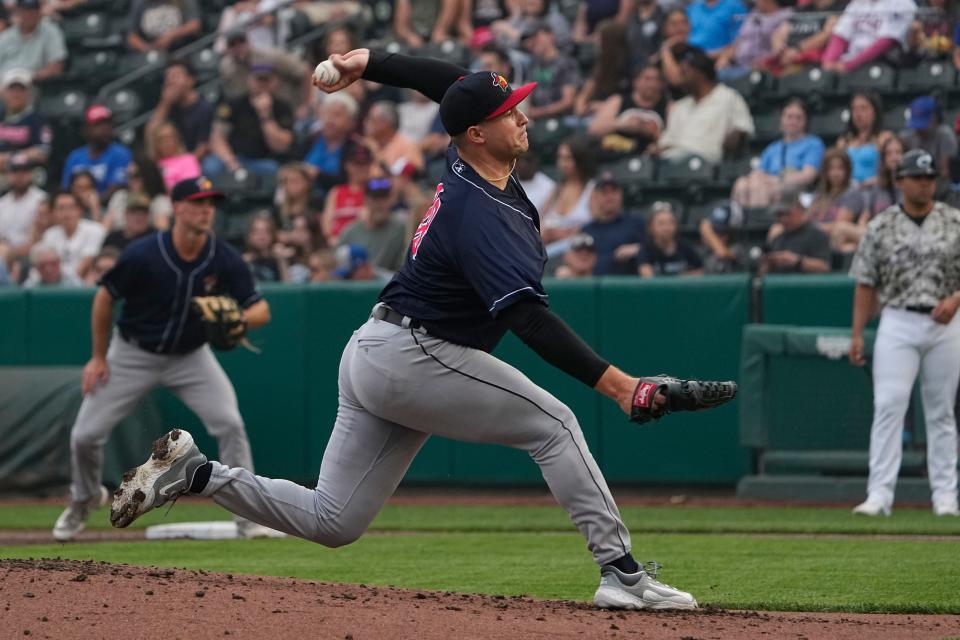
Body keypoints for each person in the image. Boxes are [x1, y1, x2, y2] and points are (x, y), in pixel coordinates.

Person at [110, 47, 736, 612]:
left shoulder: (468, 157)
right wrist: (621, 387)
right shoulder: (478, 215)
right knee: (557, 426)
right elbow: (526, 319)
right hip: (418, 354)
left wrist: (371, 61)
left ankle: (197, 476)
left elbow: (451, 84)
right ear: (477, 133)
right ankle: (621, 575)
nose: (524, 116)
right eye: (510, 111)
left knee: (335, 520)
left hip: (381, 351)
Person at [52, 176, 274, 542]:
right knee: (85, 436)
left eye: (210, 203)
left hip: (190, 357)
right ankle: (84, 499)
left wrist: (239, 319)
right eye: (198, 202)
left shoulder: (222, 257)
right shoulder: (144, 254)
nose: (206, 210)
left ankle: (247, 515)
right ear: (177, 208)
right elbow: (105, 297)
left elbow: (261, 310)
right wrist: (97, 357)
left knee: (230, 423)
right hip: (132, 353)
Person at [848, 149, 960, 518]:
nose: (926, 183)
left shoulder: (953, 220)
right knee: (888, 406)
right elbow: (866, 283)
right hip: (897, 318)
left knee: (941, 411)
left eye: (930, 178)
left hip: (945, 322)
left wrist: (957, 297)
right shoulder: (881, 225)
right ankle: (879, 495)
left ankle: (946, 496)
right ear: (901, 182)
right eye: (918, 177)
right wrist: (857, 334)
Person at [651, 46, 754, 164]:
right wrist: (656, 149)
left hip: (707, 161)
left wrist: (733, 139)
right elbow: (667, 142)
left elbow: (743, 129)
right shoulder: (679, 106)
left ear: (700, 73)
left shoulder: (728, 97)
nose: (680, 79)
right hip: (673, 162)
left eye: (684, 73)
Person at [731, 99, 824, 208]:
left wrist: (776, 180)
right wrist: (757, 177)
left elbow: (808, 176)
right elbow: (759, 172)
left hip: (795, 187)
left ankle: (759, 222)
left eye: (798, 117)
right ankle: (740, 220)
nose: (793, 121)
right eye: (789, 116)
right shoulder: (773, 147)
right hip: (769, 183)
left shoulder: (813, 144)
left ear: (806, 121)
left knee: (761, 187)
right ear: (782, 119)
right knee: (741, 183)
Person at [206, 64, 295, 178]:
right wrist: (231, 161)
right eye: (258, 79)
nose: (262, 83)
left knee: (274, 170)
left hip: (263, 160)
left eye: (266, 79)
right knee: (211, 166)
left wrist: (265, 115)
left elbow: (281, 146)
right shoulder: (234, 104)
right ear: (250, 80)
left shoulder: (283, 108)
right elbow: (217, 137)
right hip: (233, 157)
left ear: (274, 82)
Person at [588, 64, 667, 156]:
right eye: (647, 79)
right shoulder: (619, 100)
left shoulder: (668, 105)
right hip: (616, 152)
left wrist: (652, 132)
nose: (652, 84)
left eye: (657, 80)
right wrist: (623, 124)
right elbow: (594, 129)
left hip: (649, 156)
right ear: (636, 82)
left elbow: (673, 136)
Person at [580, 171, 647, 275]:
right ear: (596, 197)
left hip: (629, 285)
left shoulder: (635, 222)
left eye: (614, 191)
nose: (609, 197)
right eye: (604, 192)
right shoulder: (587, 230)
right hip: (595, 287)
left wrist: (638, 249)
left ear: (620, 195)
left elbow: (657, 249)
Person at [338, 177, 409, 274]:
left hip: (387, 285)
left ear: (391, 200)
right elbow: (337, 265)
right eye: (375, 199)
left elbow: (404, 269)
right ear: (366, 200)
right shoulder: (350, 231)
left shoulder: (400, 229)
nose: (380, 204)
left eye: (384, 198)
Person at [145, 61, 214, 159]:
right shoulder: (167, 107)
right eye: (167, 77)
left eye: (175, 76)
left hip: (199, 159)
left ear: (190, 80)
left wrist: (185, 165)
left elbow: (204, 146)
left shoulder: (204, 107)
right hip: (173, 160)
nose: (170, 81)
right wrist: (165, 103)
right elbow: (150, 135)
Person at [61, 105, 133, 198]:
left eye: (108, 124)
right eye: (98, 124)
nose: (105, 128)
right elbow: (66, 189)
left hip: (108, 208)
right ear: (86, 129)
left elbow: (117, 188)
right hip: (76, 208)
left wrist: (91, 202)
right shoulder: (75, 157)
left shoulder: (121, 154)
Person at [713, 0, 792, 80]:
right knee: (713, 73)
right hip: (738, 65)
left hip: (761, 70)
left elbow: (781, 49)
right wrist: (725, 57)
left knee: (719, 77)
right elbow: (740, 40)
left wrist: (765, 63)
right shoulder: (754, 13)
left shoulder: (786, 16)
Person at [522, 21, 581, 121]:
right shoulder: (533, 63)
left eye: (536, 37)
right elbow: (527, 94)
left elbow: (568, 101)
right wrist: (527, 111)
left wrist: (538, 112)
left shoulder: (566, 63)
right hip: (536, 121)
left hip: (562, 120)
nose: (531, 42)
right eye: (530, 39)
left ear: (550, 36)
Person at [41, 191, 106, 280]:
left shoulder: (95, 230)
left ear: (79, 210)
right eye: (61, 208)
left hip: (83, 285)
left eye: (71, 207)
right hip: (55, 283)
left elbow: (84, 266)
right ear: (54, 212)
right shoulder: (49, 234)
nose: (66, 213)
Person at [302, 92, 359, 191]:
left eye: (337, 115)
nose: (329, 119)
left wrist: (318, 175)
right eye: (327, 113)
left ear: (351, 122)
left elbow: (348, 182)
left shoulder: (354, 147)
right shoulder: (311, 139)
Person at [761, 195, 831, 273]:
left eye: (787, 214)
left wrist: (797, 261)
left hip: (806, 283)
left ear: (800, 210)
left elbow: (824, 267)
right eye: (780, 215)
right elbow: (763, 273)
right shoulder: (777, 239)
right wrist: (768, 263)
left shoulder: (816, 235)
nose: (783, 219)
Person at [0, 0, 67, 82]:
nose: (29, 15)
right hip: (5, 82)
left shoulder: (50, 31)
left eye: (33, 12)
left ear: (39, 13)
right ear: (18, 13)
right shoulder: (6, 36)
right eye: (25, 11)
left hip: (35, 82)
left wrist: (31, 77)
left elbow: (57, 66)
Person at [836, 92, 892, 186]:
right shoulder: (843, 141)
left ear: (875, 111)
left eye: (863, 108)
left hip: (875, 189)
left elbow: (891, 171)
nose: (858, 114)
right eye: (854, 109)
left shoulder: (885, 138)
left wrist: (876, 180)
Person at [0, 68, 52, 169]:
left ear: (29, 93)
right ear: (3, 93)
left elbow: (42, 153)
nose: (16, 94)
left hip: (25, 174)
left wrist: (10, 158)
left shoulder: (38, 120)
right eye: (12, 90)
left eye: (21, 90)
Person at [804, 148, 863, 237]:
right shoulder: (820, 193)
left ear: (848, 170)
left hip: (830, 240)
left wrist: (808, 229)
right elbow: (806, 218)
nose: (835, 173)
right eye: (831, 169)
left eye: (840, 168)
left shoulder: (853, 194)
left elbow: (838, 226)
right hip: (811, 236)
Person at [899, 96, 957, 184]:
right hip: (913, 183)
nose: (919, 130)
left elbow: (945, 172)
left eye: (922, 124)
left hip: (939, 184)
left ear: (935, 119)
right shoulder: (908, 136)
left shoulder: (945, 135)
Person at [637, 203, 704, 277]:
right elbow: (647, 276)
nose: (667, 228)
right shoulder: (646, 249)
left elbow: (700, 271)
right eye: (661, 223)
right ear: (651, 227)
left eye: (671, 223)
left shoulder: (685, 247)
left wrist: (685, 277)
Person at [0, 153, 46, 261]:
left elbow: (40, 236)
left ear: (31, 174)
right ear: (7, 174)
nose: (20, 175)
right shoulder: (2, 202)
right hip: (4, 252)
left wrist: (13, 252)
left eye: (24, 171)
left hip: (33, 254)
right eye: (15, 171)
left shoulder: (42, 199)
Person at [126, 0, 202, 53]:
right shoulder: (138, 3)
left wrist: (172, 35)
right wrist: (146, 48)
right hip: (154, 52)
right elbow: (131, 35)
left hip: (183, 48)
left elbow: (195, 24)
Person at [148, 121, 202, 192]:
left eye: (170, 137)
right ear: (156, 143)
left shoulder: (188, 159)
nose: (167, 142)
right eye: (162, 139)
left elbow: (192, 185)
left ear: (177, 139)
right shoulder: (152, 166)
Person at [699, 202, 748, 273]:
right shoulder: (707, 250)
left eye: (722, 231)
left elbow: (723, 254)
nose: (716, 235)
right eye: (714, 230)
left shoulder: (738, 248)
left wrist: (709, 233)